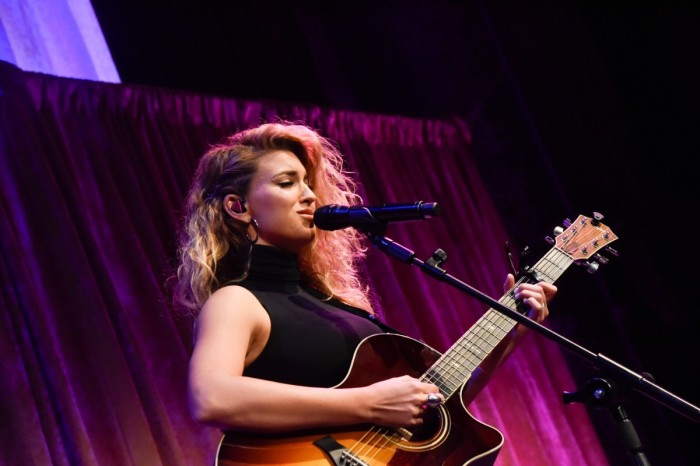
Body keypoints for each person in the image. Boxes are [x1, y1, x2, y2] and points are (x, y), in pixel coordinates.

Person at [173, 120, 557, 462]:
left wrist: (511, 335)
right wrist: (369, 404)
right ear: (238, 207)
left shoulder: (337, 308)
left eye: (308, 182)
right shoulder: (238, 300)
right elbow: (212, 398)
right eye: (288, 183)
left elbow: (429, 411)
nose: (310, 195)